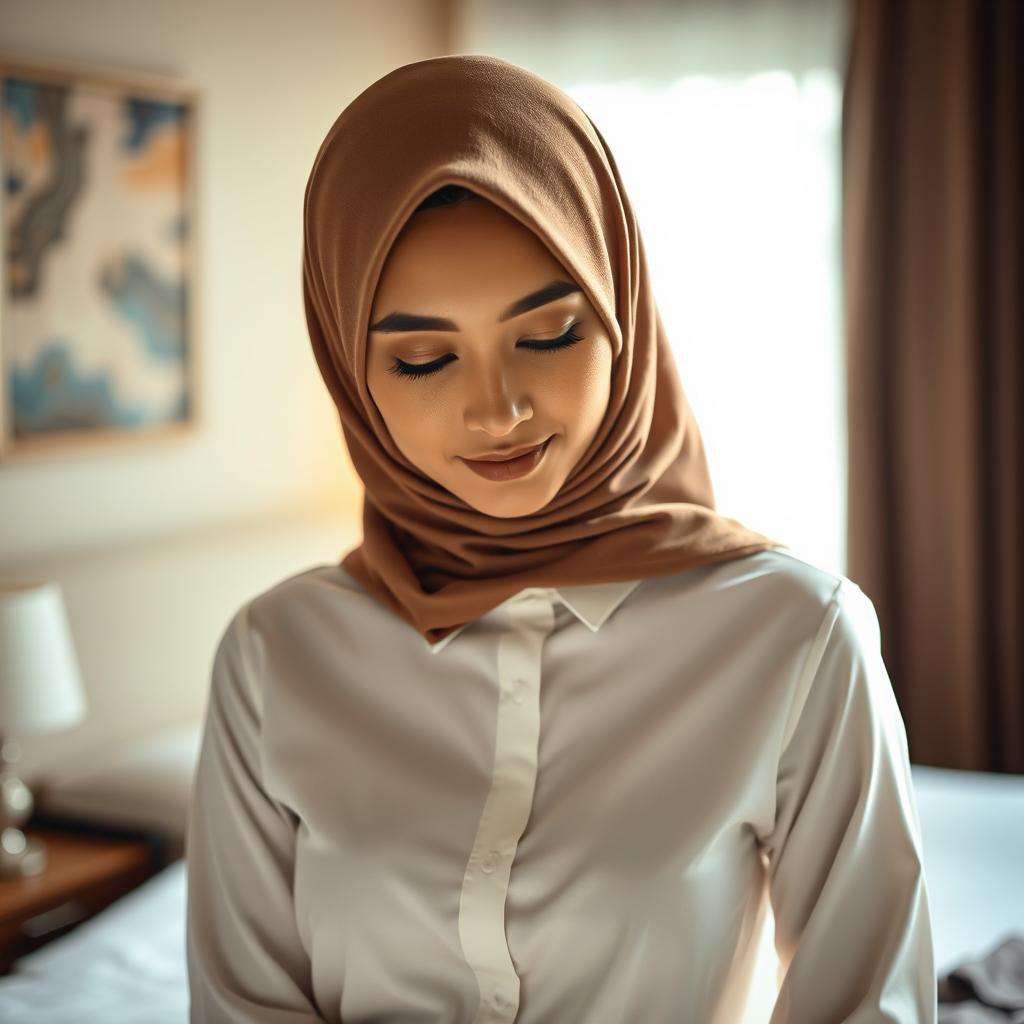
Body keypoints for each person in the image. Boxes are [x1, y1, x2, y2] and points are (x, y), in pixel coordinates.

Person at [185, 54, 937, 1023]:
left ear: (622, 317)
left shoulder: (798, 636)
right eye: (422, 359)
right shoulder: (273, 657)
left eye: (546, 335)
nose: (494, 410)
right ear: (348, 370)